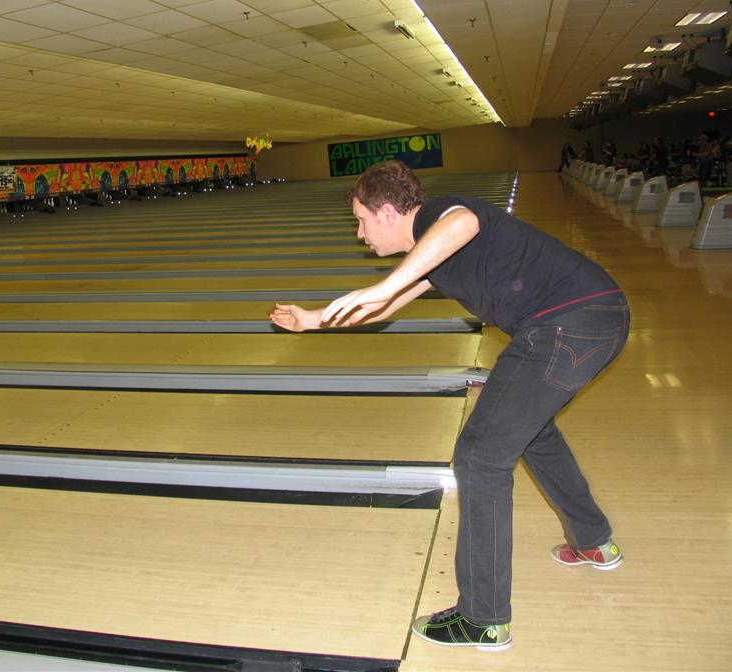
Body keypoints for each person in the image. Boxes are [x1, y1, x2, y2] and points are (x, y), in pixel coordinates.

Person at [270, 160, 630, 651]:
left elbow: (463, 224)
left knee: (480, 455)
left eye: (360, 219)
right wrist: (313, 321)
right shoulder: (431, 256)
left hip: (567, 323)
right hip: (595, 317)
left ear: (391, 213)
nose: (359, 234)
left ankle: (482, 618)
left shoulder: (442, 216)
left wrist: (383, 284)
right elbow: (383, 308)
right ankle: (593, 539)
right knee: (533, 431)